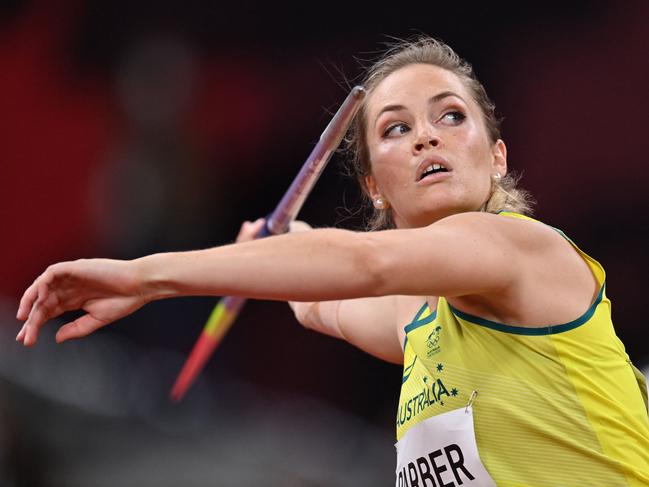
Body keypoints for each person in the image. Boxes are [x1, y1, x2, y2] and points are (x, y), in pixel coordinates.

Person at [16, 36, 649, 485]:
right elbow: (319, 298)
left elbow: (362, 265)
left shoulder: (518, 247)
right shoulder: (421, 323)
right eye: (396, 129)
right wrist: (276, 246)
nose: (428, 135)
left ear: (498, 157)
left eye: (451, 117)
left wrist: (144, 277)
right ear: (374, 186)